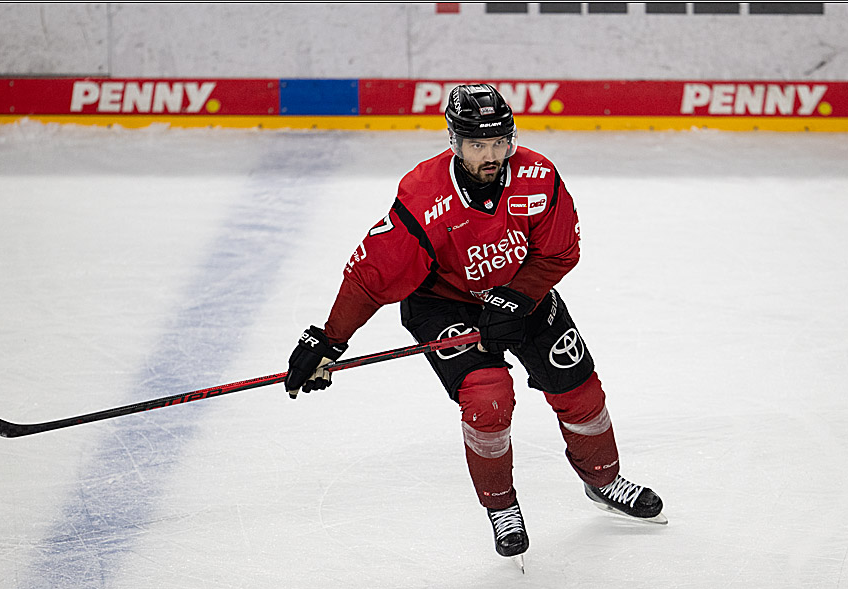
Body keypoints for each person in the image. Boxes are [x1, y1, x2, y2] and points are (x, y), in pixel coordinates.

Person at [284, 84, 665, 560]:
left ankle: (604, 480)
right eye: (477, 145)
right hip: (444, 304)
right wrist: (329, 339)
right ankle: (501, 505)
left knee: (578, 387)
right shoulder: (424, 196)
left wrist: (517, 298)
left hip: (520, 292)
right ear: (454, 142)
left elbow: (559, 251)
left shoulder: (538, 176)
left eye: (499, 143)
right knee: (488, 400)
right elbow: (371, 275)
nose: (491, 155)